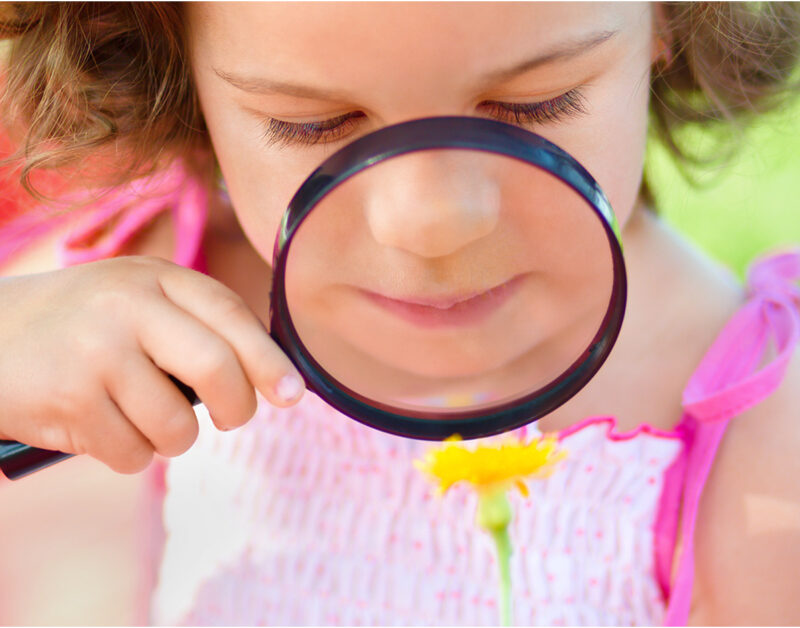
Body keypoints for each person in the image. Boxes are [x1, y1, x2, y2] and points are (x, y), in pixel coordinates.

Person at [0, 2, 799, 625]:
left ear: (667, 16)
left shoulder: (761, 430)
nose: (431, 223)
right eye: (312, 124)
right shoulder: (133, 286)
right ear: (178, 62)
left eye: (534, 103)